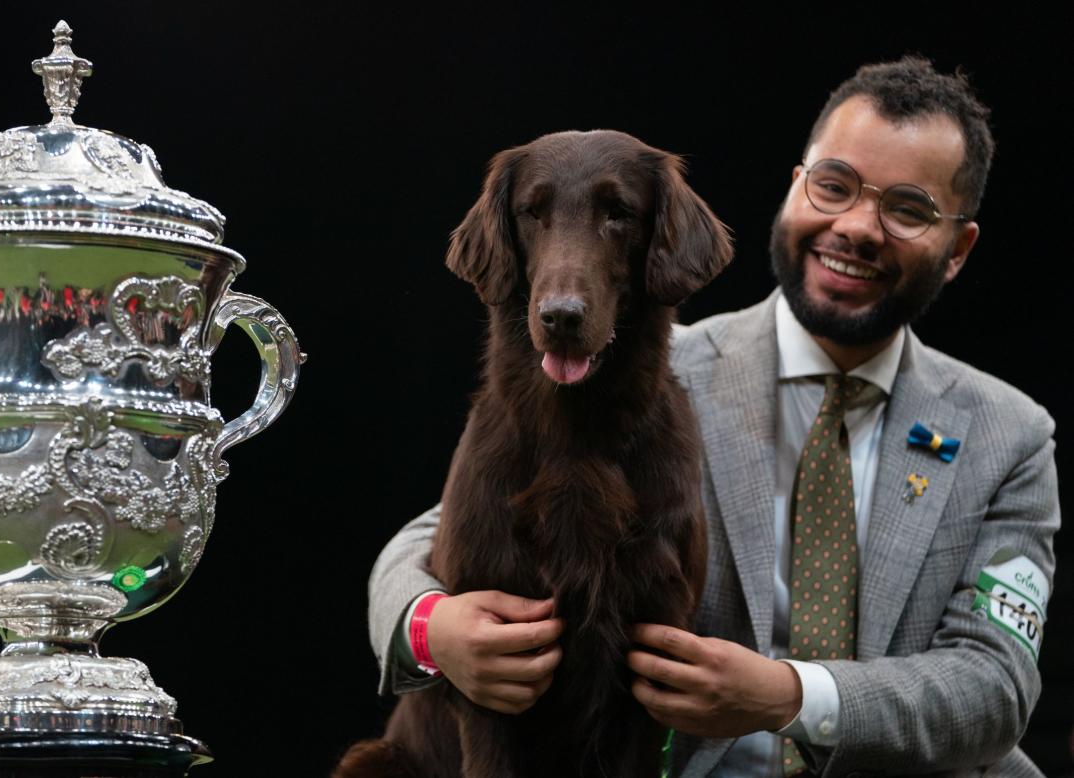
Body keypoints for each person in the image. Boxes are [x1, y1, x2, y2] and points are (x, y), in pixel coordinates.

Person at [367, 57, 1058, 776]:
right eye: (834, 187)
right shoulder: (652, 375)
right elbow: (429, 538)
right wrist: (431, 627)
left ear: (959, 250)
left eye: (908, 209)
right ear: (796, 189)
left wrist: (791, 695)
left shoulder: (1010, 438)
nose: (857, 227)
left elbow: (996, 686)